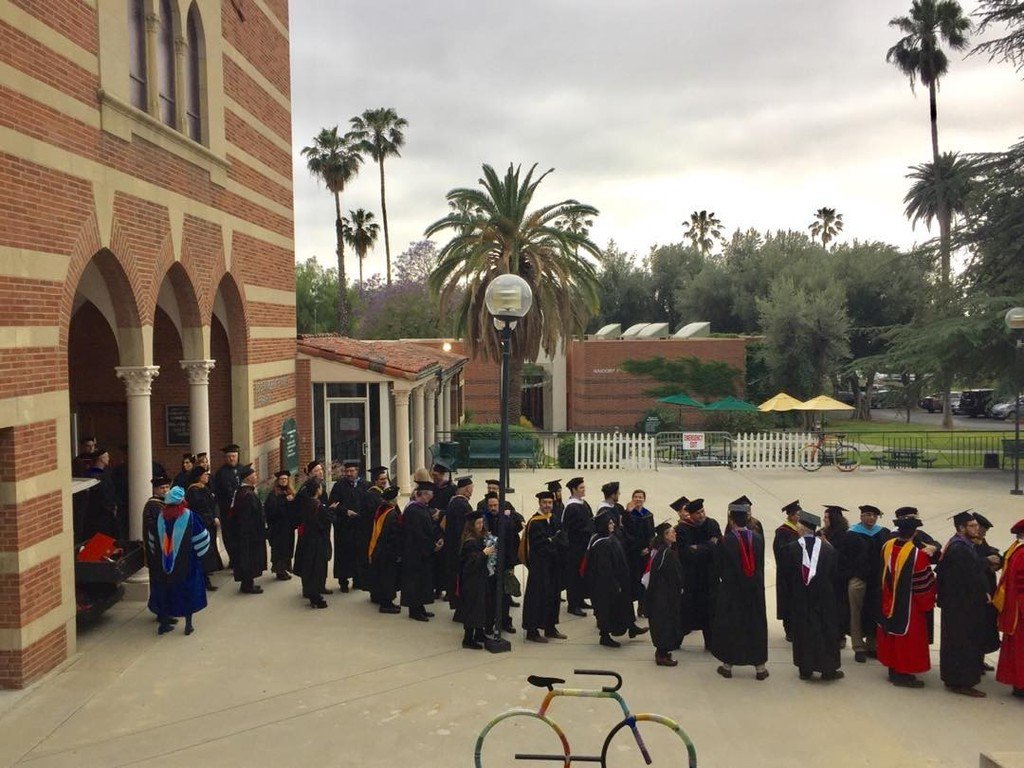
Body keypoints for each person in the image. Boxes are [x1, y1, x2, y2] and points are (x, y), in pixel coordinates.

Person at [779, 510, 843, 681]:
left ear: (800, 527)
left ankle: (804, 669)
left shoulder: (790, 550)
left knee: (803, 631)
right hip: (824, 598)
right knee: (825, 631)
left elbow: (785, 577)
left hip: (800, 597)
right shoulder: (829, 551)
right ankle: (828, 669)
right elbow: (835, 576)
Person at [711, 496, 769, 681]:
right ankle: (760, 667)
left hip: (732, 591)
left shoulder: (726, 541)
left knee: (732, 625)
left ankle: (728, 665)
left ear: (732, 519)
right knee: (755, 624)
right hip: (754, 590)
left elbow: (718, 566)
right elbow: (759, 564)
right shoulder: (758, 539)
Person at [877, 513, 936, 689]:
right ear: (914, 533)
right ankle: (903, 674)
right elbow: (922, 584)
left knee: (891, 633)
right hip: (909, 604)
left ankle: (893, 669)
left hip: (887, 599)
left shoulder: (886, 546)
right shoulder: (917, 555)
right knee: (907, 639)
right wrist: (927, 603)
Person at [936, 511, 990, 697]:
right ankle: (961, 682)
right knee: (962, 643)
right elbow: (966, 577)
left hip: (961, 605)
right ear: (961, 528)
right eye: (972, 526)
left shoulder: (964, 545)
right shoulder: (959, 548)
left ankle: (956, 679)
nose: (977, 529)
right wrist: (985, 563)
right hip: (961, 606)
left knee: (959, 642)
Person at [143, 485, 209, 635]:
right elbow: (202, 539)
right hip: (187, 564)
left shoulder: (160, 518)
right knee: (188, 592)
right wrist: (200, 556)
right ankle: (188, 625)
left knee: (166, 593)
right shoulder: (190, 517)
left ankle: (164, 624)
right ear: (182, 502)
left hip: (163, 565)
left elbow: (151, 541)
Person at [585, 509, 647, 648]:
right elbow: (604, 568)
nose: (613, 525)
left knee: (624, 604)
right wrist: (614, 584)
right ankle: (605, 636)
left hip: (619, 580)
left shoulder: (609, 537)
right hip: (606, 584)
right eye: (610, 523)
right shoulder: (601, 543)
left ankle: (631, 627)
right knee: (607, 609)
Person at [675, 498, 721, 650]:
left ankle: (711, 643)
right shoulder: (682, 529)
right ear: (691, 515)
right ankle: (675, 641)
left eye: (702, 511)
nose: (701, 516)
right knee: (686, 611)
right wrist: (708, 546)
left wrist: (698, 548)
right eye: (698, 513)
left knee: (710, 613)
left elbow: (717, 547)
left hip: (709, 577)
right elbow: (686, 554)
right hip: (691, 579)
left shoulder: (712, 524)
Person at [520, 491, 565, 643]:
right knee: (537, 597)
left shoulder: (554, 519)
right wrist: (552, 541)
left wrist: (552, 541)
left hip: (553, 566)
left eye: (550, 503)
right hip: (539, 567)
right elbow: (540, 546)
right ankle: (532, 631)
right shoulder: (534, 522)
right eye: (545, 503)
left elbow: (562, 539)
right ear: (539, 503)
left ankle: (550, 627)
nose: (547, 506)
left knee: (553, 596)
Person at [848, 504, 889, 663]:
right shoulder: (851, 534)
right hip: (859, 579)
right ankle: (858, 647)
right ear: (861, 516)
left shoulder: (883, 533)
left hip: (878, 580)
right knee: (856, 613)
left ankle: (873, 645)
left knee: (875, 612)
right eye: (868, 514)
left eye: (874, 515)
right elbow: (844, 558)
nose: (871, 518)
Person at [483, 491, 524, 633]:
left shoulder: (507, 520)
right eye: (490, 505)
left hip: (505, 563)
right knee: (490, 597)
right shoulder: (484, 520)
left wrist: (511, 565)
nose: (493, 508)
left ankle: (505, 622)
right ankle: (489, 624)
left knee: (505, 596)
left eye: (495, 505)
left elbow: (512, 542)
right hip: (489, 565)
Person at [644, 522, 684, 666]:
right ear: (665, 536)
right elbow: (675, 576)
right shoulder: (667, 554)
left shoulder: (659, 550)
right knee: (665, 623)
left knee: (662, 623)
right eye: (671, 532)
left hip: (660, 594)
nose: (675, 534)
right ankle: (661, 655)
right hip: (664, 595)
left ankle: (662, 652)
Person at [821, 505, 860, 648]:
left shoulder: (846, 537)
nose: (824, 520)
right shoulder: (823, 533)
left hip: (840, 579)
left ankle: (839, 636)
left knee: (839, 609)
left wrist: (827, 545)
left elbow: (845, 558)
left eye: (827, 517)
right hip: (826, 577)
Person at [402, 480, 441, 621]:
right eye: (429, 496)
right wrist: (432, 546)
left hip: (421, 552)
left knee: (422, 582)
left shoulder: (420, 508)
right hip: (415, 553)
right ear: (423, 494)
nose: (430, 499)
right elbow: (418, 534)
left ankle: (420, 607)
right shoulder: (413, 511)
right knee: (415, 582)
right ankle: (414, 611)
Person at [995, 518, 1024, 698]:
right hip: (1021, 611)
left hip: (1015, 609)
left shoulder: (1015, 550)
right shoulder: (1023, 555)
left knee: (1015, 649)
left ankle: (1017, 685)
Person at [456, 510, 493, 649]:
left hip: (479, 579)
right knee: (473, 608)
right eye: (478, 523)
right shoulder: (469, 542)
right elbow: (471, 563)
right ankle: (468, 638)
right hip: (472, 581)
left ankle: (479, 633)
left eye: (482, 522)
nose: (481, 525)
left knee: (481, 607)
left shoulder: (477, 538)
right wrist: (484, 553)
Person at [293, 479, 333, 609]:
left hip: (307, 540)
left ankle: (311, 593)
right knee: (317, 569)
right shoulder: (318, 506)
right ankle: (315, 597)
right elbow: (323, 522)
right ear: (317, 490)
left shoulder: (306, 504)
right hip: (317, 542)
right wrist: (330, 512)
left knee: (309, 568)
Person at [972, 512, 1004, 666]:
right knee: (977, 628)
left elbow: (989, 552)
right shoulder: (967, 543)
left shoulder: (981, 542)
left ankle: (981, 657)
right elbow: (972, 563)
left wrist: (998, 560)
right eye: (982, 531)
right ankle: (976, 660)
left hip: (989, 590)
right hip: (977, 593)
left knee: (987, 627)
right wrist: (987, 561)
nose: (983, 534)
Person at [230, 464, 267, 594]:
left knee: (248, 558)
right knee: (248, 558)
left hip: (247, 532)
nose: (256, 476)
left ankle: (248, 583)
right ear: (248, 478)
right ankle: (247, 585)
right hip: (249, 534)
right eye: (254, 474)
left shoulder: (242, 492)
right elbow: (247, 517)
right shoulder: (247, 495)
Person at [185, 465, 222, 590]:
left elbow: (214, 503)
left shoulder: (204, 488)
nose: (207, 476)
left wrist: (216, 516)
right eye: (204, 475)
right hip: (202, 525)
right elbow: (200, 508)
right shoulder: (193, 491)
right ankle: (204, 581)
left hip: (210, 523)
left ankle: (206, 578)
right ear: (198, 477)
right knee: (203, 553)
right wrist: (211, 519)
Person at [562, 477, 594, 617]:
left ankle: (580, 599)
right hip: (574, 546)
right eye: (581, 488)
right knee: (574, 575)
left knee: (582, 573)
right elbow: (573, 528)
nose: (584, 489)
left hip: (584, 545)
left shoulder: (583, 503)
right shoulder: (571, 506)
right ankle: (573, 604)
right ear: (574, 490)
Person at [327, 459, 360, 592]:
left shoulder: (364, 485)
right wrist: (346, 511)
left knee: (358, 553)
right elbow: (333, 503)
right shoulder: (339, 486)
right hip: (343, 526)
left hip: (358, 525)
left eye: (352, 471)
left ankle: (358, 579)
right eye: (347, 471)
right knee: (344, 554)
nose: (349, 473)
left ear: (357, 471)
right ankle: (343, 581)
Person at [367, 487, 402, 613]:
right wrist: (397, 553)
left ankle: (380, 597)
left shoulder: (381, 510)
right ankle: (386, 604)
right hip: (388, 552)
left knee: (381, 575)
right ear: (392, 501)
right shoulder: (391, 514)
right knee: (388, 578)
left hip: (379, 550)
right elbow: (392, 535)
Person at [773, 500, 803, 642]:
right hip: (787, 574)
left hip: (799, 573)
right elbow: (781, 553)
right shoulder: (783, 531)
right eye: (797, 514)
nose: (799, 517)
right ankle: (789, 629)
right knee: (788, 601)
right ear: (790, 516)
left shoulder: (800, 529)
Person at [622, 489, 655, 617]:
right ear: (632, 498)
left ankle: (643, 608)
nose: (638, 499)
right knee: (633, 581)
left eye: (640, 497)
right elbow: (627, 533)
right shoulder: (628, 515)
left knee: (644, 581)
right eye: (635, 497)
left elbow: (651, 534)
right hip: (633, 554)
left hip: (645, 554)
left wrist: (648, 548)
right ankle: (629, 611)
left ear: (644, 499)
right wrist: (638, 549)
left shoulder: (648, 515)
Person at [444, 476, 475, 610]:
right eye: (471, 489)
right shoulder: (463, 505)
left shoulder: (453, 502)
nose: (472, 492)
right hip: (459, 547)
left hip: (452, 545)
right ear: (467, 490)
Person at [359, 466, 389, 592]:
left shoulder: (381, 494)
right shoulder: (372, 495)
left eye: (385, 478)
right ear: (375, 481)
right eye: (381, 479)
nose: (384, 481)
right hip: (372, 532)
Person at [210, 444, 242, 564]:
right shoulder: (221, 473)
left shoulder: (242, 470)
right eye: (229, 456)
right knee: (229, 536)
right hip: (227, 511)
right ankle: (233, 559)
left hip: (241, 510)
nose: (232, 459)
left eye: (234, 456)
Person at [265, 470, 297, 580]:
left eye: (285, 479)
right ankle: (280, 571)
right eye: (281, 479)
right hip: (278, 528)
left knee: (287, 549)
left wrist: (292, 502)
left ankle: (285, 569)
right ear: (278, 481)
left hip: (288, 527)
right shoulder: (273, 494)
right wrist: (286, 502)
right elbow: (271, 511)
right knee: (279, 549)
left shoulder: (290, 492)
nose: (283, 481)